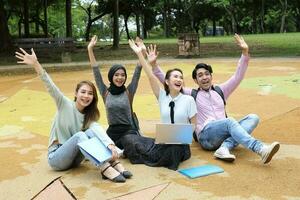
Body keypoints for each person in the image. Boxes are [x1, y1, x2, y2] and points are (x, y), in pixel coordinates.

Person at [149, 34, 280, 164]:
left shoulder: (221, 90)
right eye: (200, 75)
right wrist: (154, 65)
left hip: (223, 132)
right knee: (229, 122)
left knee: (253, 118)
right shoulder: (191, 94)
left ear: (211, 76)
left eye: (207, 74)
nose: (204, 77)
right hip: (206, 137)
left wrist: (245, 52)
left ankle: (224, 148)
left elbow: (237, 76)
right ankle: (260, 149)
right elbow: (169, 82)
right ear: (196, 80)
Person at [15, 48, 131, 183]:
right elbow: (50, 85)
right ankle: (104, 167)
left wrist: (110, 145)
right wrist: (36, 64)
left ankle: (114, 161)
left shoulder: (89, 115)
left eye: (90, 93)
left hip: (76, 160)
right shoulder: (64, 104)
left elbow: (97, 130)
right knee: (81, 135)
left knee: (92, 130)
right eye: (83, 92)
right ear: (76, 94)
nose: (86, 96)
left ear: (93, 98)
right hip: (57, 158)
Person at [128, 39, 197, 170]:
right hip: (163, 142)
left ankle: (159, 156)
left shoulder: (189, 100)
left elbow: (194, 126)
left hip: (180, 145)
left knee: (173, 149)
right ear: (167, 81)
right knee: (130, 139)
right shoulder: (162, 96)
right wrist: (140, 54)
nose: (179, 79)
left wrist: (180, 136)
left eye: (181, 77)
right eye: (175, 76)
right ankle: (157, 154)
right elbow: (150, 76)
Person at [87, 35, 142, 148]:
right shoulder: (105, 92)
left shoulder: (129, 91)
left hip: (129, 130)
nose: (120, 78)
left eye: (123, 75)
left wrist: (140, 52)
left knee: (129, 145)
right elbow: (96, 70)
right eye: (116, 75)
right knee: (101, 148)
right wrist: (90, 49)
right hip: (112, 132)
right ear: (111, 76)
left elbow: (138, 70)